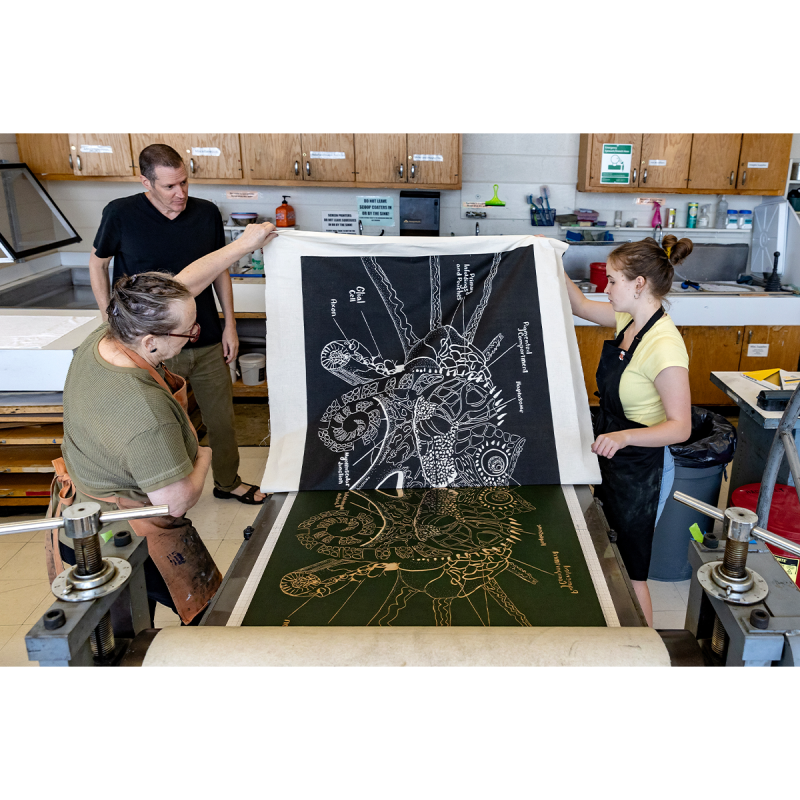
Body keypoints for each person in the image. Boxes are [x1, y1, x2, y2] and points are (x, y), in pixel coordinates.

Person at [48, 223, 278, 626]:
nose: (193, 334)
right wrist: (202, 457)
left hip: (77, 506)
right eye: (189, 332)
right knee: (156, 626)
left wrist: (244, 245)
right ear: (151, 342)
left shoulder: (112, 332)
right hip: (119, 537)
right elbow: (174, 502)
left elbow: (184, 286)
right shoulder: (146, 415)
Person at [88, 143, 266, 505]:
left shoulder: (206, 214)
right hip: (150, 345)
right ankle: (163, 495)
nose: (180, 193)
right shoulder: (120, 213)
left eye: (184, 182)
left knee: (221, 419)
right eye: (169, 186)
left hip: (205, 338)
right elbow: (97, 263)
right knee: (159, 426)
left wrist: (228, 324)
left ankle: (228, 482)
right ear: (146, 182)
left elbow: (220, 270)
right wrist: (110, 315)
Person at [565, 234, 693, 626]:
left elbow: (680, 427)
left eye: (614, 280)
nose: (606, 287)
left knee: (631, 569)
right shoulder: (630, 321)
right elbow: (580, 305)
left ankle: (643, 655)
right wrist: (549, 253)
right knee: (606, 554)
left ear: (639, 284)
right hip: (613, 457)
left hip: (643, 467)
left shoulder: (664, 346)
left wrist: (624, 437)